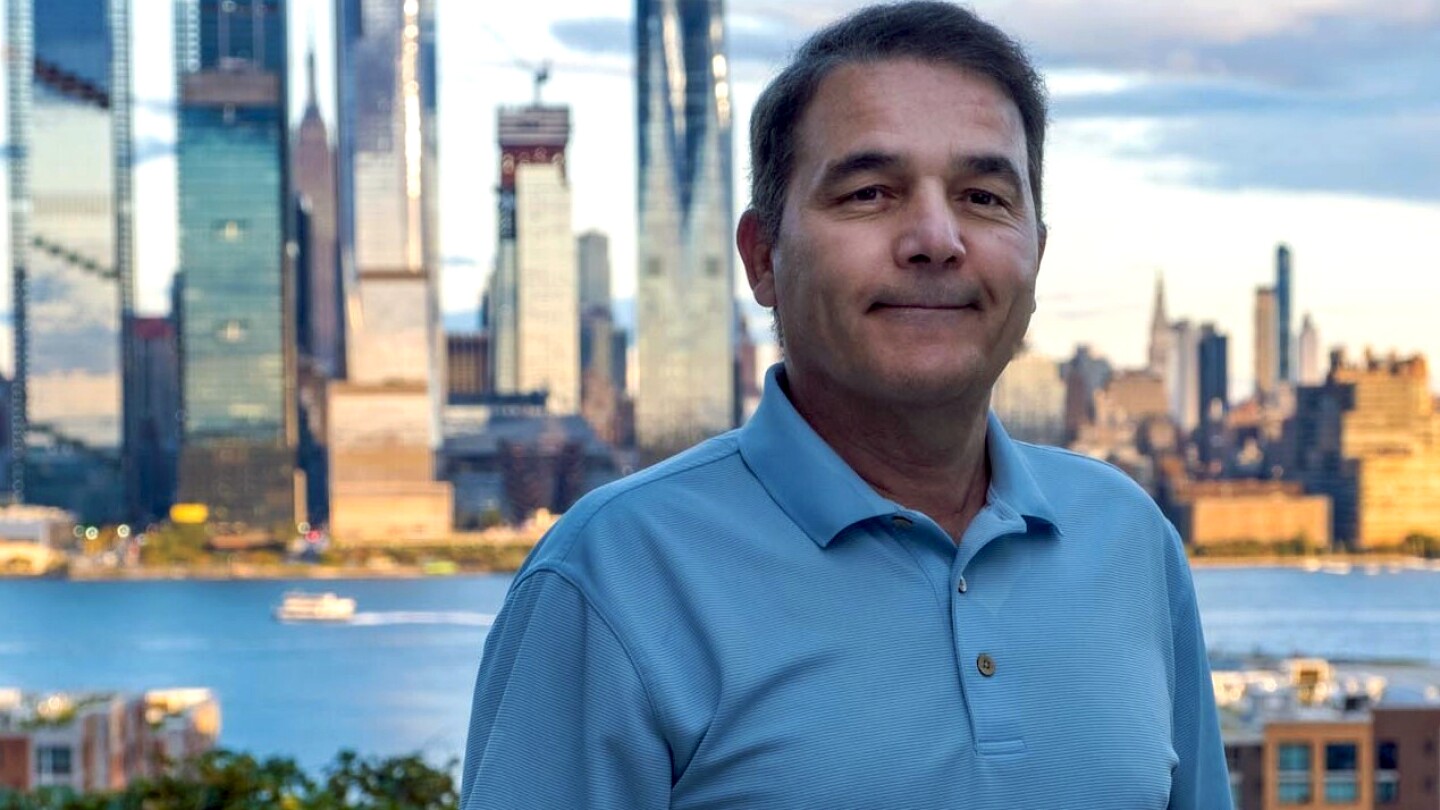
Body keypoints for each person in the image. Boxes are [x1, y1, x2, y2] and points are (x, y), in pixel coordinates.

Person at [460, 2, 1232, 807]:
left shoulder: (1128, 539)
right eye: (869, 194)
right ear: (763, 259)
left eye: (984, 197)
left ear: (1036, 252)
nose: (936, 238)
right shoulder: (612, 574)